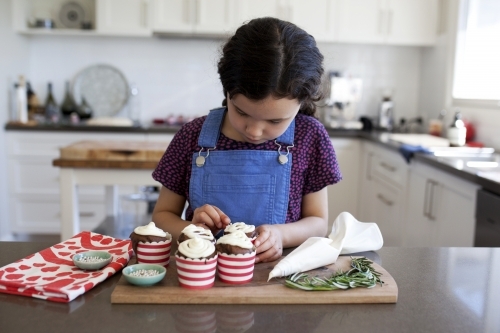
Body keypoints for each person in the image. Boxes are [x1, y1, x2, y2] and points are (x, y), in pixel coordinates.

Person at [144, 17, 341, 263]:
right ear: (227, 90)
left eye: (275, 121)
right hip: (204, 274)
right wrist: (189, 230)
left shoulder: (310, 138)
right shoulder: (192, 136)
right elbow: (162, 215)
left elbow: (319, 222)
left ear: (302, 103)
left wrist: (281, 235)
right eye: (242, 112)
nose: (255, 131)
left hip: (280, 276)